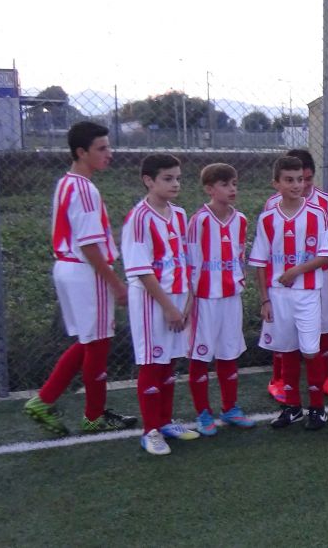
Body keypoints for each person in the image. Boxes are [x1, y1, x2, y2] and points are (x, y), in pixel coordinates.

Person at [24, 121, 137, 436]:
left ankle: (46, 401)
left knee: (89, 342)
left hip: (67, 268)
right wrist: (115, 283)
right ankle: (92, 416)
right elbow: (88, 244)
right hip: (85, 272)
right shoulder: (85, 188)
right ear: (81, 152)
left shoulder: (66, 182)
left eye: (108, 146)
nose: (109, 154)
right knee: (98, 344)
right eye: (102, 148)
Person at [249, 156, 328, 431]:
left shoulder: (318, 214)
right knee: (285, 350)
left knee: (311, 350)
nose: (297, 185)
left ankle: (317, 408)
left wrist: (295, 271)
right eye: (289, 180)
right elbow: (260, 262)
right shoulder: (267, 218)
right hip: (277, 296)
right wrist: (265, 299)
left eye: (300, 179)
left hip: (308, 293)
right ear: (276, 183)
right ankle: (292, 407)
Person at [122, 153, 200, 456]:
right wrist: (168, 307)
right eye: (168, 178)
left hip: (178, 298)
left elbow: (185, 259)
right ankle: (150, 431)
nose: (175, 184)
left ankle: (165, 422)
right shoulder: (139, 218)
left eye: (178, 178)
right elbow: (142, 270)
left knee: (169, 361)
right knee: (152, 363)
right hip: (151, 301)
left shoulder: (179, 214)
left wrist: (187, 300)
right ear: (148, 180)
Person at [263, 149, 328, 402]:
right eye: (295, 179)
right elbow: (267, 248)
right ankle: (278, 380)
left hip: (316, 279)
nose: (303, 185)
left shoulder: (325, 201)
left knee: (322, 327)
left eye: (308, 178)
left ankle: (323, 379)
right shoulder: (273, 204)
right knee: (283, 332)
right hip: (284, 282)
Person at [184, 163, 256, 436]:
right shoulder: (199, 220)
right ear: (209, 189)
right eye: (225, 185)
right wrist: (189, 298)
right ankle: (203, 412)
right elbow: (192, 260)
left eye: (234, 184)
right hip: (205, 298)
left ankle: (230, 408)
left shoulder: (241, 220)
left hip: (230, 297)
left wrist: (239, 281)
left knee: (229, 351)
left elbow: (239, 256)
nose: (232, 189)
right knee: (201, 355)